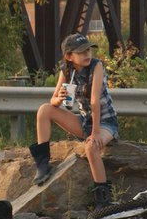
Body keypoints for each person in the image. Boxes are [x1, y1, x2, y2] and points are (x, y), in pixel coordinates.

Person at [27, 33, 121, 210]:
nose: (87, 54)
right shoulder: (66, 70)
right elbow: (53, 100)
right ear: (69, 56)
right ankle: (43, 165)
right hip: (85, 121)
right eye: (81, 52)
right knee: (44, 110)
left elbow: (94, 101)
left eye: (88, 50)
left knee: (91, 147)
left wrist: (95, 133)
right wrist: (60, 98)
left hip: (105, 123)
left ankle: (103, 201)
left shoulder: (96, 66)